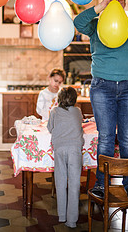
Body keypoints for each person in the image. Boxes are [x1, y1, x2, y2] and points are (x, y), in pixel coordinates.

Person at [74, 0, 128, 201]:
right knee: (105, 138)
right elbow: (77, 23)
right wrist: (99, 7)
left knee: (127, 138)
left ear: (125, 3)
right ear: (105, 0)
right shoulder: (96, 25)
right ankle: (101, 184)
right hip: (102, 87)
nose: (116, 0)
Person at [47, 87, 84, 228]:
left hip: (59, 148)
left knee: (60, 181)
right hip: (75, 149)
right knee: (74, 184)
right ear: (75, 100)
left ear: (59, 98)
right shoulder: (78, 111)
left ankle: (61, 215)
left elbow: (50, 128)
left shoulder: (54, 111)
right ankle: (72, 220)